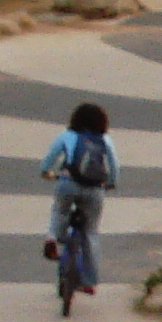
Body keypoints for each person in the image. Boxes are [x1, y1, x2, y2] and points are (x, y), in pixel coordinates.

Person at [41, 101, 118, 280]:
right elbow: (114, 165)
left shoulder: (68, 135)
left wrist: (46, 172)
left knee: (60, 211)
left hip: (68, 183)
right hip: (94, 189)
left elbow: (51, 157)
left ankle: (52, 238)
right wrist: (111, 183)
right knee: (90, 232)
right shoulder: (105, 140)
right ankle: (90, 280)